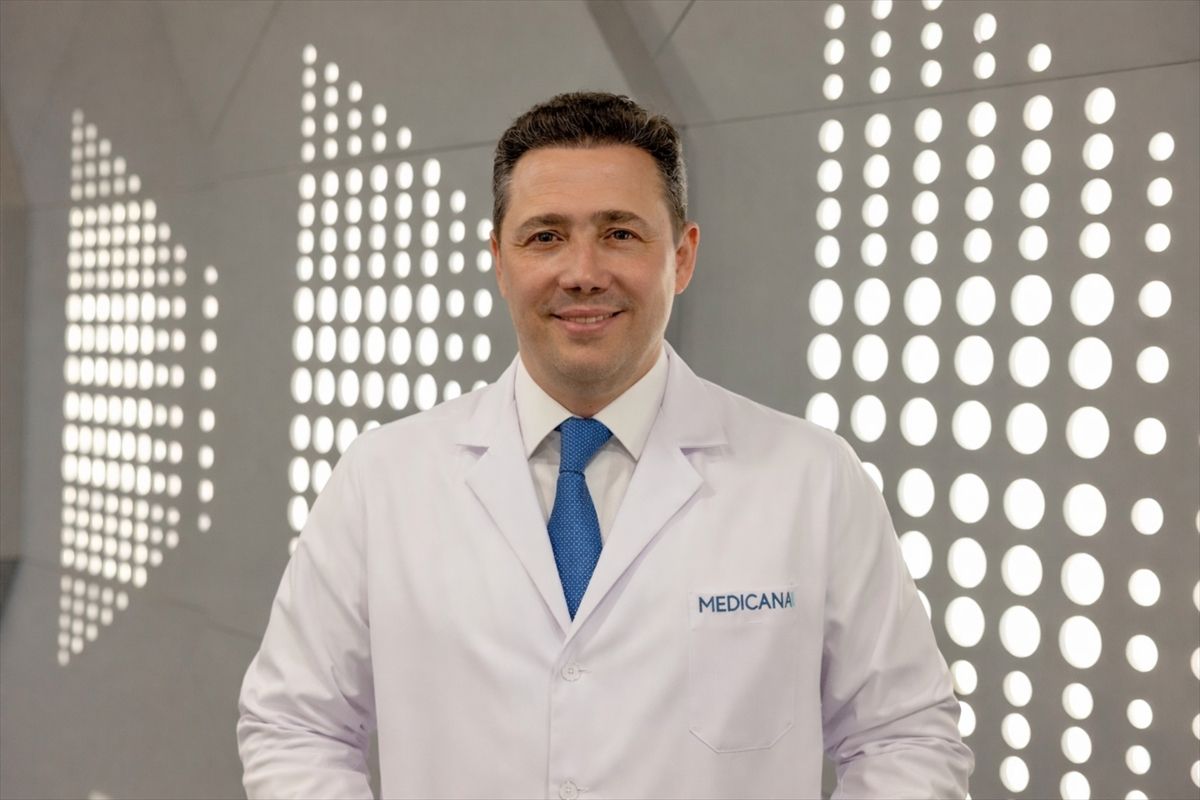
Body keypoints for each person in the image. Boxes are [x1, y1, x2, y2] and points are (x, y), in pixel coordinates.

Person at [238, 92, 973, 798]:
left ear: (682, 255)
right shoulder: (382, 480)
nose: (583, 274)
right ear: (499, 260)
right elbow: (294, 726)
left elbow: (906, 737)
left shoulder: (810, 479)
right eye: (545, 236)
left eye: (620, 233)